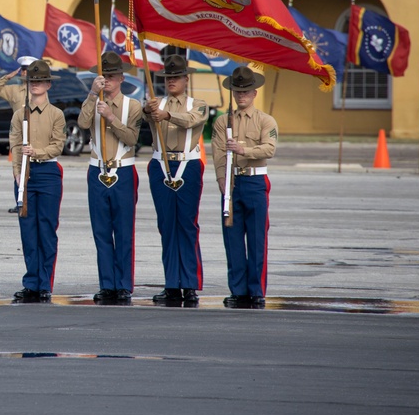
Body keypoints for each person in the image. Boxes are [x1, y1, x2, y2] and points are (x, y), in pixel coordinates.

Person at [78, 52, 143, 304]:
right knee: (101, 231)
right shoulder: (93, 100)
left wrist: (111, 118)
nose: (109, 81)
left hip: (123, 170)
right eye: (105, 77)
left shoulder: (132, 106)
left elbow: (132, 138)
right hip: (97, 169)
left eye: (113, 77)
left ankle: (124, 284)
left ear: (122, 78)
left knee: (124, 232)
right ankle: (107, 284)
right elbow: (83, 124)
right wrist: (92, 95)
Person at [143, 54, 208, 305]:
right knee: (167, 226)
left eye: (176, 77)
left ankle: (190, 284)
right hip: (161, 163)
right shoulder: (155, 103)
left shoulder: (197, 103)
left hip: (187, 164)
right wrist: (150, 111)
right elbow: (143, 118)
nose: (171, 81)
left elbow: (193, 120)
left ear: (185, 79)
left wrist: (166, 115)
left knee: (187, 225)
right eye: (167, 77)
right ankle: (172, 284)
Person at [210, 66, 278, 309]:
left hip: (255, 181)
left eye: (246, 91)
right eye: (237, 91)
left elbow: (269, 149)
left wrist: (243, 150)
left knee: (257, 238)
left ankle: (256, 290)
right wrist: (221, 180)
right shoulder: (222, 121)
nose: (241, 95)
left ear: (254, 93)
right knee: (233, 238)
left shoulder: (265, 120)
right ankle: (238, 290)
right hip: (232, 182)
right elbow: (217, 152)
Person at [9, 60, 66, 303]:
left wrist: (37, 152)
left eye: (41, 81)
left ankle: (45, 283)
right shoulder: (18, 114)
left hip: (48, 174)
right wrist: (17, 171)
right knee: (28, 232)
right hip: (25, 176)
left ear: (49, 84)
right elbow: (13, 144)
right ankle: (31, 282)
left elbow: (58, 146)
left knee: (46, 230)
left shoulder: (56, 114)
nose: (36, 85)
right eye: (32, 81)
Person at [0, 55, 38, 213]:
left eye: (28, 70)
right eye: (23, 70)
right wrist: (7, 77)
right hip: (19, 135)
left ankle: (31, 200)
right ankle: (19, 201)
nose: (25, 73)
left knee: (33, 169)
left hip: (35, 134)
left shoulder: (38, 91)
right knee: (18, 168)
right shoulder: (13, 90)